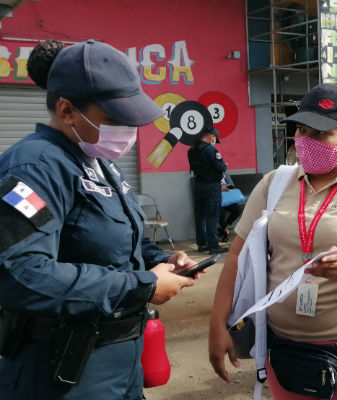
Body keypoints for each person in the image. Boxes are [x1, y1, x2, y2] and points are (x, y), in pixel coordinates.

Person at [0, 39, 197, 400]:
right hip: (62, 372)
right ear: (67, 111)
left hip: (118, 366)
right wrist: (140, 285)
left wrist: (162, 261)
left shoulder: (97, 163)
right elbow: (22, 275)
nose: (127, 132)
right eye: (113, 120)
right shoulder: (35, 168)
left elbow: (121, 241)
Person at [209, 83, 337, 400]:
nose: (306, 141)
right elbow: (237, 257)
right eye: (302, 131)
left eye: (320, 134)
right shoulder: (273, 184)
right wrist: (218, 323)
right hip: (284, 347)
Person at [188, 126, 228, 254]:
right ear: (210, 135)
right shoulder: (210, 150)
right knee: (212, 216)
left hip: (198, 185)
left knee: (200, 216)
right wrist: (224, 165)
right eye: (215, 137)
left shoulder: (191, 150)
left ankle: (202, 244)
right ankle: (214, 246)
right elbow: (220, 167)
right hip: (211, 187)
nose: (215, 140)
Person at [218, 173, 243, 242]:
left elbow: (231, 184)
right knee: (221, 214)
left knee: (237, 210)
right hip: (216, 199)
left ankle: (223, 227)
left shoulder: (224, 174)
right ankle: (225, 235)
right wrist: (219, 188)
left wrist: (224, 187)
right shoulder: (211, 175)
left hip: (227, 198)